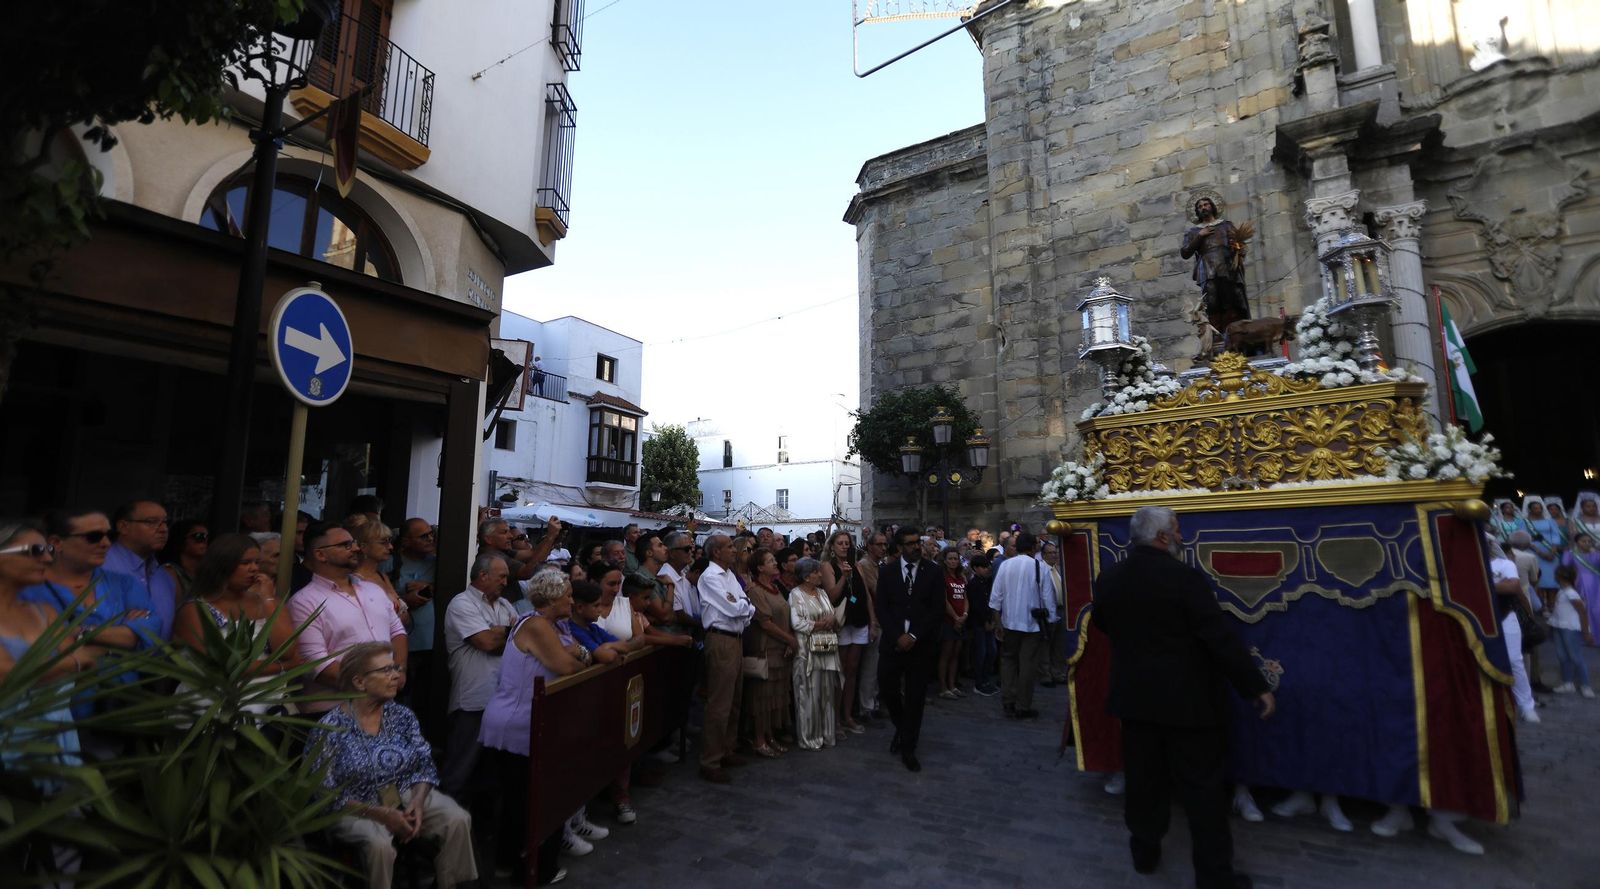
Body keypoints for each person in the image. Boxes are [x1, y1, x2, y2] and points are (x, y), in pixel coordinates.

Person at [1092, 506, 1275, 889]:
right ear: (1162, 537)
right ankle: (1214, 876)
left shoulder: (1108, 579)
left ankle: (1144, 852)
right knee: (1203, 792)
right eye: (1176, 530)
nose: (1181, 536)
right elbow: (1218, 638)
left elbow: (1105, 625)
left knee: (1143, 782)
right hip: (1188, 704)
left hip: (1136, 701)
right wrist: (1254, 685)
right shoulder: (1185, 579)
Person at [309, 642, 476, 889]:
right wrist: (381, 814)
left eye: (395, 668)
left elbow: (423, 764)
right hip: (354, 805)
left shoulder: (402, 716)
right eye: (385, 671)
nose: (396, 676)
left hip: (404, 793)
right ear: (359, 682)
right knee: (378, 846)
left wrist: (418, 801)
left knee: (457, 819)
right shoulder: (330, 728)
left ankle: (450, 884)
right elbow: (325, 794)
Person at [479, 569, 594, 886]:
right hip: (518, 723)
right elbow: (567, 666)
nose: (572, 599)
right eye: (568, 594)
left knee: (521, 798)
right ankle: (529, 868)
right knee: (528, 799)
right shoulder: (537, 625)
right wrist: (579, 653)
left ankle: (513, 862)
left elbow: (571, 657)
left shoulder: (552, 624)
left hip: (528, 722)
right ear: (554, 597)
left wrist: (574, 652)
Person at [21, 508, 163, 723]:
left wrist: (81, 633)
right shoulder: (27, 588)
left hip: (116, 713)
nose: (105, 543)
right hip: (46, 715)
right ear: (57, 542)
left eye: (108, 535)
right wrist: (119, 635)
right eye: (93, 537)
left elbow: (150, 633)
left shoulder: (123, 584)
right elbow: (34, 647)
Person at [171, 533, 302, 714]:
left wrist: (268, 599)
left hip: (269, 707)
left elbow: (287, 651)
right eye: (245, 563)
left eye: (257, 562)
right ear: (222, 565)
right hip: (212, 709)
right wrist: (283, 667)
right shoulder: (195, 610)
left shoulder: (269, 603)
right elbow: (222, 668)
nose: (254, 569)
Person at [287, 521, 408, 714]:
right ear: (320, 554)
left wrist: (399, 671)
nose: (356, 548)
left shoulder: (373, 590)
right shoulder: (304, 602)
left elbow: (397, 632)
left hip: (383, 707)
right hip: (333, 712)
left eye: (354, 542)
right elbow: (316, 663)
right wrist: (372, 685)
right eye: (345, 545)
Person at [441, 553, 518, 800]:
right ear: (483, 575)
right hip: (473, 700)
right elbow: (485, 642)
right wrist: (510, 633)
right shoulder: (461, 604)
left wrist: (502, 634)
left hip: (502, 700)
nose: (506, 582)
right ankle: (446, 829)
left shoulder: (506, 605)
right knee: (460, 770)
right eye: (502, 576)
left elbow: (523, 643)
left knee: (492, 771)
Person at [875, 527, 944, 772]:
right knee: (888, 688)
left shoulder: (933, 572)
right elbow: (881, 607)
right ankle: (903, 728)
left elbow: (936, 610)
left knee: (915, 697)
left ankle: (908, 748)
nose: (917, 547)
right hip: (893, 643)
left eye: (918, 542)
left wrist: (914, 634)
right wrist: (897, 636)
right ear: (900, 546)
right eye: (911, 543)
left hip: (920, 644)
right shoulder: (887, 572)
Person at [697, 534, 756, 783]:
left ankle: (727, 749)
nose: (735, 550)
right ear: (716, 552)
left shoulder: (730, 575)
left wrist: (744, 607)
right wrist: (744, 607)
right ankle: (710, 760)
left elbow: (745, 605)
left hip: (736, 638)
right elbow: (735, 607)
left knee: (734, 699)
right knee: (719, 703)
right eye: (730, 547)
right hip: (721, 639)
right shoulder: (710, 577)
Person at [989, 531, 1056, 719]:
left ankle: (1008, 700)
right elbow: (1047, 598)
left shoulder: (1005, 566)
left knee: (1008, 661)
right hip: (1031, 625)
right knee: (1027, 665)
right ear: (1033, 547)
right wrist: (1050, 621)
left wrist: (998, 622)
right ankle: (1023, 705)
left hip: (1009, 622)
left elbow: (995, 597)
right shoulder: (1039, 567)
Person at [744, 550, 797, 756]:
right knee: (761, 698)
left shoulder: (774, 588)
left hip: (781, 650)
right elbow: (765, 623)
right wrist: (790, 639)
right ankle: (758, 739)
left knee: (775, 696)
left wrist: (788, 640)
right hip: (766, 649)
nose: (775, 563)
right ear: (759, 567)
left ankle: (769, 735)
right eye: (770, 561)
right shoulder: (755, 591)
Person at [790, 556, 844, 750]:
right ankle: (809, 737)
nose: (820, 574)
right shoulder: (795, 594)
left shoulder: (821, 592)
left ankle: (826, 734)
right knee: (809, 693)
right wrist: (821, 624)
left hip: (826, 646)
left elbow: (831, 612)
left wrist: (833, 620)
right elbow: (797, 622)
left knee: (827, 690)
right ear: (806, 576)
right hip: (807, 651)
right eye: (816, 572)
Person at [1180, 196, 1252, 340]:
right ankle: (1217, 337)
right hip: (1207, 269)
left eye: (1206, 204)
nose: (1203, 208)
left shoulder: (1226, 225)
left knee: (1233, 299)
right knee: (1212, 302)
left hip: (1228, 267)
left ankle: (1237, 335)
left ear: (1212, 207)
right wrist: (1200, 236)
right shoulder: (1194, 232)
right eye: (1200, 206)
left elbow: (1238, 245)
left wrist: (1239, 249)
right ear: (1197, 212)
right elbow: (1185, 252)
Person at [105, 499, 177, 640]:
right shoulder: (100, 566)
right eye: (151, 522)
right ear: (123, 526)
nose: (163, 529)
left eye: (165, 523)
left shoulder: (165, 577)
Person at [825, 531, 874, 732]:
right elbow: (832, 595)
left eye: (847, 543)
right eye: (841, 543)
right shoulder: (827, 566)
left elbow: (867, 597)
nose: (845, 546)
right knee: (841, 671)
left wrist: (874, 622)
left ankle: (847, 715)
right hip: (842, 622)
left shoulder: (857, 566)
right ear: (832, 546)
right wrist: (843, 578)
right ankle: (836, 718)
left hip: (860, 621)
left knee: (853, 670)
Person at [395, 518, 439, 739]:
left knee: (427, 699)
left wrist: (429, 587)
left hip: (433, 643)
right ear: (405, 541)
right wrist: (404, 598)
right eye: (423, 536)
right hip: (402, 646)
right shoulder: (392, 564)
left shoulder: (437, 562)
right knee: (403, 698)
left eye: (431, 534)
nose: (430, 538)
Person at [1489, 540, 1538, 722]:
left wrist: (1479, 583)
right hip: (1477, 617)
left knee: (1514, 659)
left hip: (1505, 614)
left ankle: (1526, 705)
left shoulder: (1505, 564)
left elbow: (1513, 586)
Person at [346, 515, 409, 630]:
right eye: (383, 542)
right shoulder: (354, 580)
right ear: (364, 547)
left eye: (389, 541)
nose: (390, 547)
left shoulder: (382, 575)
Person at [1548, 564, 1594, 696]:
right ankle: (1567, 683)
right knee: (1562, 656)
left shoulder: (1571, 593)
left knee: (1575, 657)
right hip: (1559, 626)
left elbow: (1582, 612)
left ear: (1561, 577)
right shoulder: (1562, 591)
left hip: (1570, 628)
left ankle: (1586, 685)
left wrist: (1586, 632)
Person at [854, 532, 887, 720]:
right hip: (872, 619)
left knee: (876, 666)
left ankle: (872, 702)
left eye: (885, 544)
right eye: (879, 544)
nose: (883, 548)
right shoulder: (864, 565)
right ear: (870, 546)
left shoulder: (879, 565)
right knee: (870, 666)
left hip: (880, 619)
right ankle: (866, 706)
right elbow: (875, 591)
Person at [936, 547, 968, 699]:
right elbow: (943, 600)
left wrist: (964, 615)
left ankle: (952, 684)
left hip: (961, 621)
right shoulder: (942, 577)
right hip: (948, 621)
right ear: (945, 560)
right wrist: (955, 617)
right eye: (950, 558)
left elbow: (965, 597)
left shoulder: (961, 577)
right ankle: (943, 687)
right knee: (946, 655)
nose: (953, 561)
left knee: (956, 654)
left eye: (956, 558)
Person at [965, 555, 999, 696]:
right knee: (981, 653)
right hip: (979, 623)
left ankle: (985, 679)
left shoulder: (988, 582)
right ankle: (979, 682)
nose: (987, 569)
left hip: (988, 621)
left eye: (987, 566)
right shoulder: (973, 585)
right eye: (984, 567)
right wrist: (986, 621)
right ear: (975, 569)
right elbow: (977, 606)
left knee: (991, 652)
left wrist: (992, 620)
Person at [1525, 496, 1563, 611]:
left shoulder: (1550, 521)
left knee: (1552, 580)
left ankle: (1553, 605)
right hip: (1534, 553)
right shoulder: (1525, 522)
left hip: (1551, 553)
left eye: (1539, 508)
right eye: (1535, 508)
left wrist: (1553, 550)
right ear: (1530, 510)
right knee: (1539, 581)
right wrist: (1540, 552)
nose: (1538, 510)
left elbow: (1556, 535)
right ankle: (1542, 606)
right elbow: (1524, 538)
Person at [1563, 532, 1600, 646]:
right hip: (1580, 583)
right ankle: (1586, 635)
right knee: (1584, 609)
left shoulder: (1596, 554)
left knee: (1597, 609)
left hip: (1597, 583)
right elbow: (1565, 566)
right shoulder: (1571, 554)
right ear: (1577, 543)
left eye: (1589, 541)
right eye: (1583, 541)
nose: (1587, 544)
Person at [161, 519, 208, 600]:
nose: (204, 541)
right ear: (181, 539)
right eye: (199, 536)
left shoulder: (204, 572)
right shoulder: (169, 572)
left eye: (207, 537)